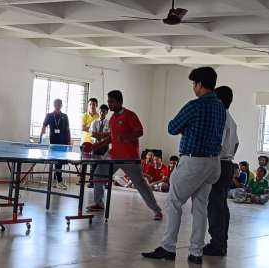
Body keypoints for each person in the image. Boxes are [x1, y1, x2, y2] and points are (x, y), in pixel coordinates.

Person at [143, 66, 225, 265]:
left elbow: (172, 127)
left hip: (193, 161)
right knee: (200, 207)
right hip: (214, 163)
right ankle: (195, 252)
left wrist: (187, 128)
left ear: (199, 84)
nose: (193, 88)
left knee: (173, 202)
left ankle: (168, 247)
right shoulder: (221, 107)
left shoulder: (194, 105)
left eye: (193, 84)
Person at [86, 90, 163, 221]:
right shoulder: (112, 119)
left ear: (120, 102)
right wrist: (97, 145)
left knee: (140, 184)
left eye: (112, 101)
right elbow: (112, 138)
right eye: (109, 101)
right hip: (113, 156)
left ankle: (157, 210)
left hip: (129, 158)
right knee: (98, 174)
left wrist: (127, 137)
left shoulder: (130, 115)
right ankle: (99, 203)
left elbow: (140, 131)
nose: (109, 104)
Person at [204, 85, 239, 257]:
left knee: (215, 206)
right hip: (228, 163)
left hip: (218, 162)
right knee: (222, 205)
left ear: (219, 100)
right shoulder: (231, 119)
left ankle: (216, 244)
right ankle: (221, 242)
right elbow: (237, 143)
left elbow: (216, 143)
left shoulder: (220, 118)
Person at [41, 99, 71, 190]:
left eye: (59, 104)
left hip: (63, 142)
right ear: (54, 105)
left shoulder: (65, 116)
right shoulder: (49, 115)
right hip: (53, 142)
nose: (58, 105)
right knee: (56, 161)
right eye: (56, 104)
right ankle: (59, 180)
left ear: (61, 105)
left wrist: (69, 141)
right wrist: (41, 138)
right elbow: (44, 127)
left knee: (59, 162)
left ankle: (56, 181)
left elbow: (67, 129)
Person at [89, 104, 110, 188]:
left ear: (107, 112)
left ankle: (104, 183)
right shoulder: (94, 122)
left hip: (105, 146)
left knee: (104, 165)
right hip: (95, 146)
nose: (102, 113)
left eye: (104, 112)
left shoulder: (109, 123)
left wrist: (99, 134)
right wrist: (102, 135)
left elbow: (109, 135)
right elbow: (92, 134)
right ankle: (91, 182)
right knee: (93, 164)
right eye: (101, 111)